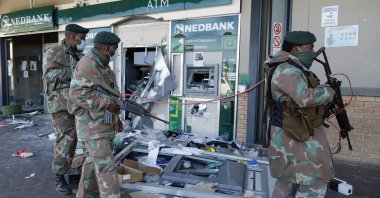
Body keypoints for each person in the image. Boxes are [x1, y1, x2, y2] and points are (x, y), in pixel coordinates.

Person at [265, 31, 336, 197]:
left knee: (288, 178)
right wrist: (328, 91)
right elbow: (304, 97)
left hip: (294, 131)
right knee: (313, 182)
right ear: (297, 48)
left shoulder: (291, 67)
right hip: (293, 134)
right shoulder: (287, 69)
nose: (313, 51)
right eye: (310, 47)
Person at [69, 31, 122, 198]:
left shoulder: (103, 65)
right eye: (114, 49)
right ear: (106, 48)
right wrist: (107, 104)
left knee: (92, 165)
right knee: (106, 167)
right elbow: (77, 94)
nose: (115, 52)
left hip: (103, 124)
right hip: (92, 127)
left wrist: (116, 118)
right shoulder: (88, 64)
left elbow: (111, 94)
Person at [42, 24, 89, 195]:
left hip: (78, 104)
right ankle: (59, 177)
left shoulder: (78, 55)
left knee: (83, 139)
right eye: (81, 39)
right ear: (71, 36)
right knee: (65, 142)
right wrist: (75, 72)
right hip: (61, 106)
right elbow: (49, 76)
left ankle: (80, 173)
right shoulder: (53, 53)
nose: (82, 42)